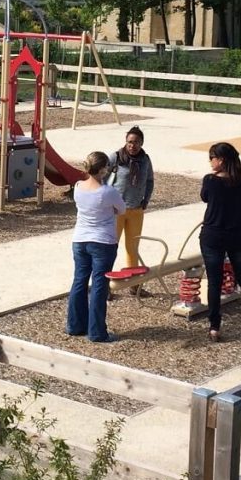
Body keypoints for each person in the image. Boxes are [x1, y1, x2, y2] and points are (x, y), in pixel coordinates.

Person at [200, 142, 241, 342]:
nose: (210, 161)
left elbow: (205, 198)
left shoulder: (210, 181)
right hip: (239, 235)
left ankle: (214, 326)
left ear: (221, 160)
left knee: (215, 281)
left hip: (214, 235)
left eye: (212, 157)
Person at [66, 151, 126, 343]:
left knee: (79, 281)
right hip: (102, 241)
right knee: (99, 286)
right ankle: (97, 331)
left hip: (80, 239)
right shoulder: (108, 191)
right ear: (101, 169)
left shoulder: (78, 187)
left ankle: (75, 325)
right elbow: (122, 209)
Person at [108, 126, 154, 274]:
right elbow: (100, 178)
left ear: (142, 143)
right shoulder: (115, 157)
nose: (132, 145)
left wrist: (146, 199)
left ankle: (133, 284)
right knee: (110, 247)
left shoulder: (145, 160)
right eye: (129, 142)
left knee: (133, 248)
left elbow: (150, 180)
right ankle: (105, 285)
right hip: (116, 211)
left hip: (136, 209)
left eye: (136, 142)